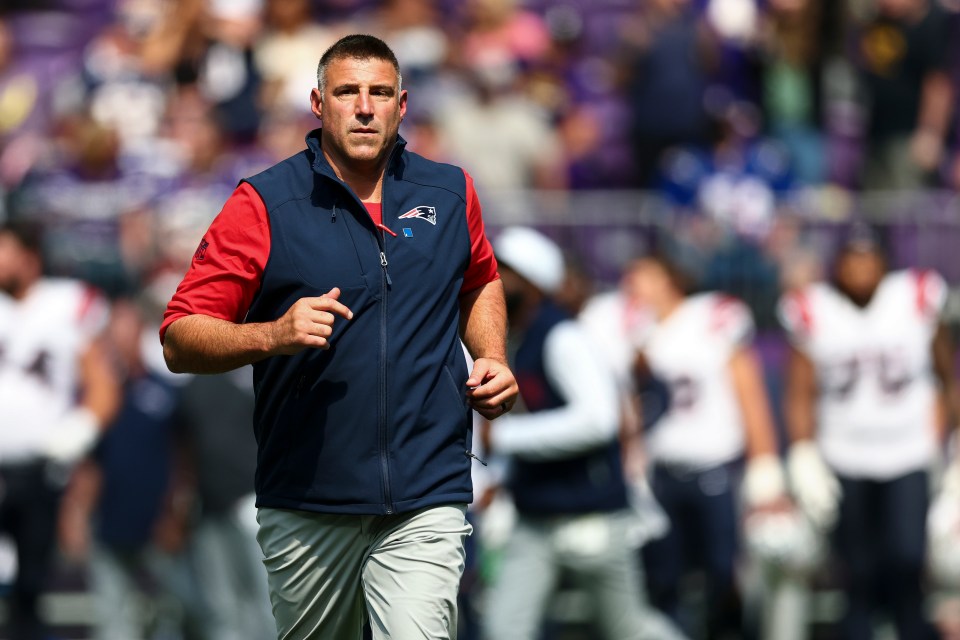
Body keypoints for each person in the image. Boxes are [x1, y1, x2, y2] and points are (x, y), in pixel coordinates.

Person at [159, 34, 517, 640]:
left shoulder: (451, 193)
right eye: (347, 92)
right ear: (317, 103)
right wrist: (272, 334)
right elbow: (180, 337)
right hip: (307, 497)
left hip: (428, 490)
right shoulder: (264, 201)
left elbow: (480, 280)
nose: (364, 106)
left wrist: (493, 356)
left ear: (403, 105)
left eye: (379, 93)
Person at [481, 227, 686, 640]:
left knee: (629, 628)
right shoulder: (514, 337)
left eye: (506, 272)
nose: (496, 281)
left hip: (592, 514)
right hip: (535, 515)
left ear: (534, 283)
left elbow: (598, 421)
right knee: (503, 628)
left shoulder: (562, 335)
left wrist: (505, 440)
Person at [779, 224, 954, 639]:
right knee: (854, 566)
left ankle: (911, 628)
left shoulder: (915, 296)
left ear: (884, 260)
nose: (859, 268)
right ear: (836, 264)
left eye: (867, 257)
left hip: (908, 451)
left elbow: (948, 375)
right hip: (845, 454)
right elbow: (800, 390)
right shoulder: (814, 307)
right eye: (851, 258)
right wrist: (802, 451)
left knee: (909, 557)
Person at [631, 253, 787, 639]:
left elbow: (748, 392)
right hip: (662, 471)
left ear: (668, 278)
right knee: (664, 576)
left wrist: (765, 462)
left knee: (724, 572)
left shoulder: (713, 316)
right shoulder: (637, 330)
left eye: (644, 276)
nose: (634, 287)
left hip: (715, 467)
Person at [0, 220, 119, 639]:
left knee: (32, 583)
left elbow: (102, 383)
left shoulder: (66, 302)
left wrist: (80, 430)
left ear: (30, 258)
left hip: (38, 468)